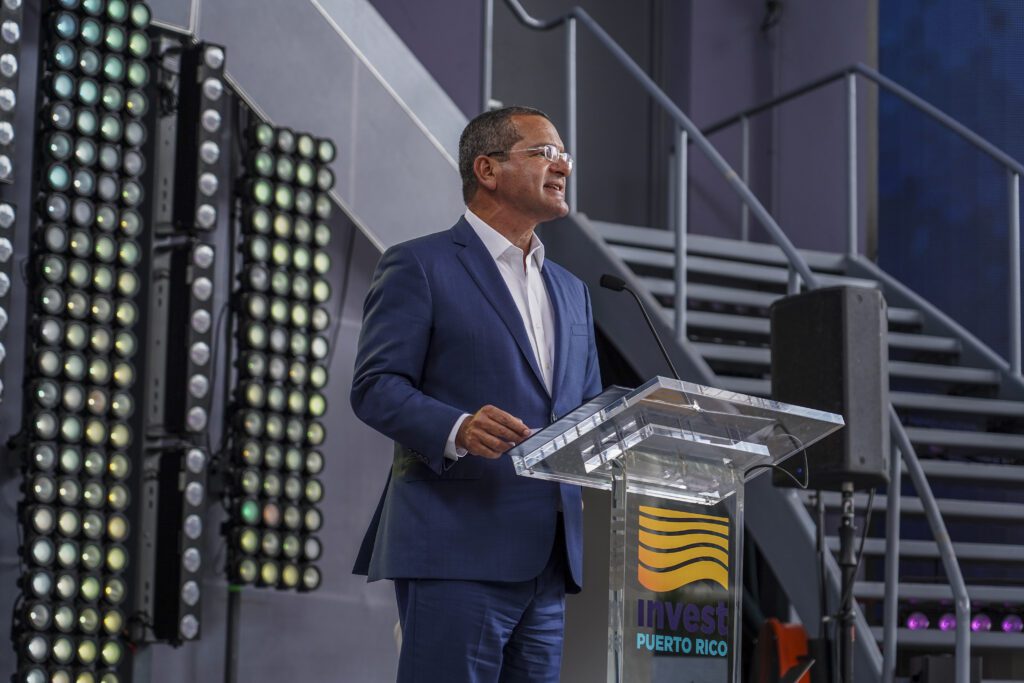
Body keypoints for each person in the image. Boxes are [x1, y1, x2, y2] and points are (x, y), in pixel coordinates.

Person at [350, 105, 603, 682]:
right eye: (544, 152)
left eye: (564, 154)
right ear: (487, 170)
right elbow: (375, 387)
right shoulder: (420, 264)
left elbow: (586, 408)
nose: (562, 164)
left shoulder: (572, 290)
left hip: (547, 556)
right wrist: (456, 427)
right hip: (454, 545)